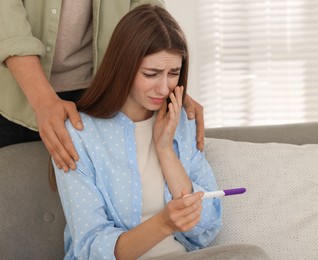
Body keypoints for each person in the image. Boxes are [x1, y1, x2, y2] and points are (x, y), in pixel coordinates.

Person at [50, 4, 222, 259]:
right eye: (151, 74)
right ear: (124, 67)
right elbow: (91, 247)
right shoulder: (79, 134)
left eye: (173, 73)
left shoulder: (181, 122)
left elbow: (207, 227)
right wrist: (164, 223)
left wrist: (165, 150)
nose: (164, 88)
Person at [0, 0, 205, 173]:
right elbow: (7, 18)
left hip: (100, 90)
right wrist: (43, 100)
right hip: (16, 91)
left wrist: (164, 77)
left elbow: (145, 9)